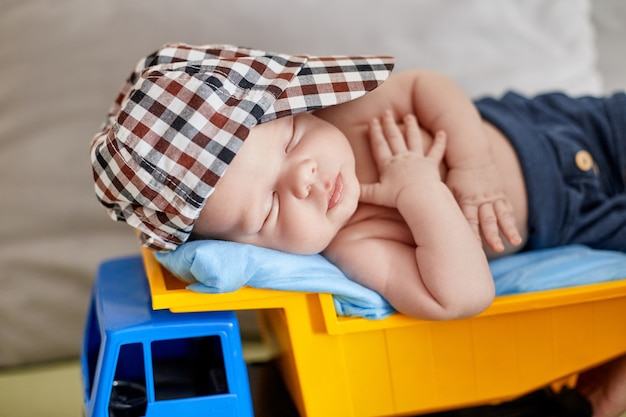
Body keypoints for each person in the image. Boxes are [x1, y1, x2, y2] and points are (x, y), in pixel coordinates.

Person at [91, 43, 626, 417]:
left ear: (294, 107)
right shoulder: (359, 244)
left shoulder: (350, 114)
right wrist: (422, 193)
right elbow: (464, 295)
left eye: (291, 140)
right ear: (247, 245)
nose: (305, 179)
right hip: (579, 216)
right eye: (270, 208)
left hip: (563, 125)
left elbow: (427, 87)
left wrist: (473, 169)